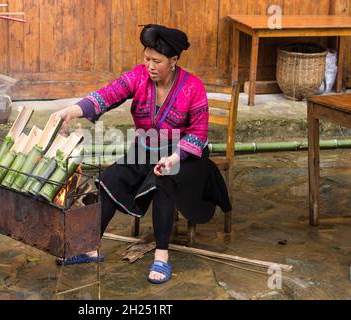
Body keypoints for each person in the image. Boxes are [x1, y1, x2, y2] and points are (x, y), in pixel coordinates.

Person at [51, 24, 231, 284]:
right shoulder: (138, 77)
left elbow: (199, 133)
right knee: (110, 179)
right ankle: (89, 247)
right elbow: (107, 94)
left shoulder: (193, 87)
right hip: (146, 149)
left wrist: (173, 158)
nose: (150, 66)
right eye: (146, 59)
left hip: (186, 156)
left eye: (157, 61)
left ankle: (161, 257)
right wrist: (73, 110)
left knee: (164, 182)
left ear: (174, 61)